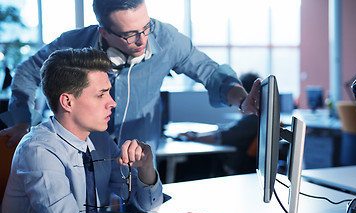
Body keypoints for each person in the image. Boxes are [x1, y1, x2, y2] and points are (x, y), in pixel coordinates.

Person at [1, 48, 222, 213]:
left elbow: (146, 204)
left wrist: (146, 169)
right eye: (101, 95)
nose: (113, 103)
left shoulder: (98, 139)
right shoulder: (39, 151)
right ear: (67, 101)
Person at [0, 0, 260, 155]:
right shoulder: (74, 43)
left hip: (140, 163)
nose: (142, 39)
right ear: (105, 32)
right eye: (130, 34)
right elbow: (27, 71)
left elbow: (211, 73)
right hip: (78, 159)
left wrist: (241, 100)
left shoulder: (167, 40)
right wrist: (24, 121)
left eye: (146, 27)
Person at [178, 73, 260, 175]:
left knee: (191, 162)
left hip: (230, 168)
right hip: (236, 164)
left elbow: (221, 136)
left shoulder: (254, 119)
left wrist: (194, 137)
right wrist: (196, 134)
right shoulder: (253, 118)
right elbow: (225, 130)